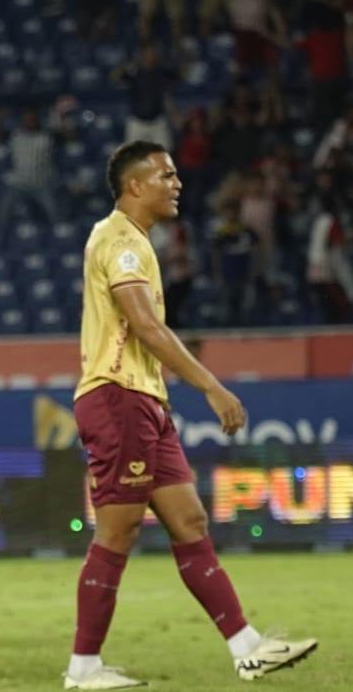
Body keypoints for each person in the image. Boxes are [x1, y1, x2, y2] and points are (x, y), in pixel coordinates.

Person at [62, 141, 316, 689]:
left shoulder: (132, 240)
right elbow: (146, 327)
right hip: (118, 397)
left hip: (145, 400)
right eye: (166, 175)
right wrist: (212, 387)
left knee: (190, 520)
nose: (177, 184)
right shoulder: (120, 241)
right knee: (118, 531)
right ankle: (83, 669)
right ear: (135, 185)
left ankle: (247, 648)